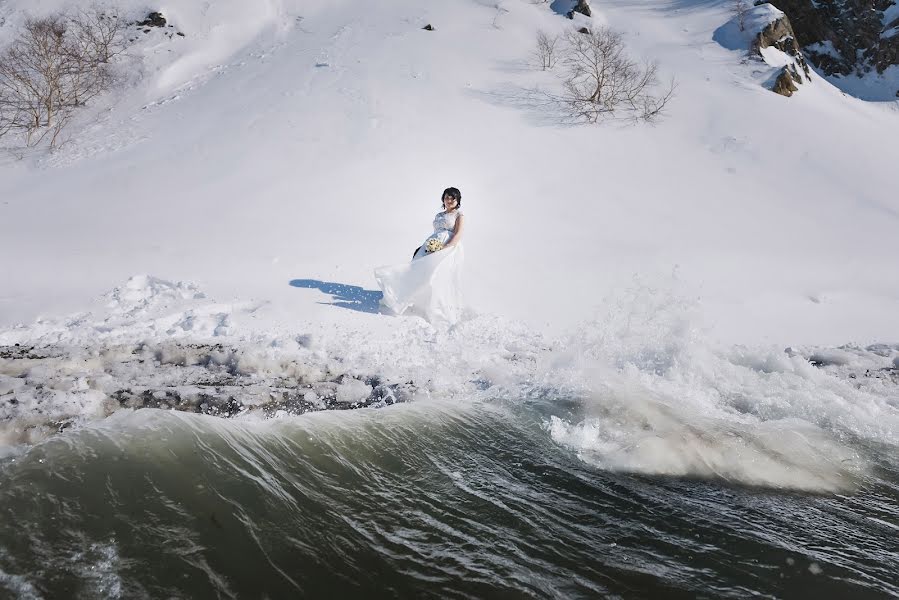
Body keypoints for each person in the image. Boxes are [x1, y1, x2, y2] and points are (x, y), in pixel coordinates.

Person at [374, 187, 466, 324]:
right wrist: (426, 246)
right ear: (443, 199)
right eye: (447, 197)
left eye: (453, 198)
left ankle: (437, 308)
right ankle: (411, 299)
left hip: (448, 247)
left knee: (437, 275)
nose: (450, 200)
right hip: (432, 245)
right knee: (418, 269)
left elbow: (458, 234)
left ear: (458, 200)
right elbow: (437, 233)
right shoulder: (439, 215)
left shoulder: (459, 215)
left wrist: (444, 247)